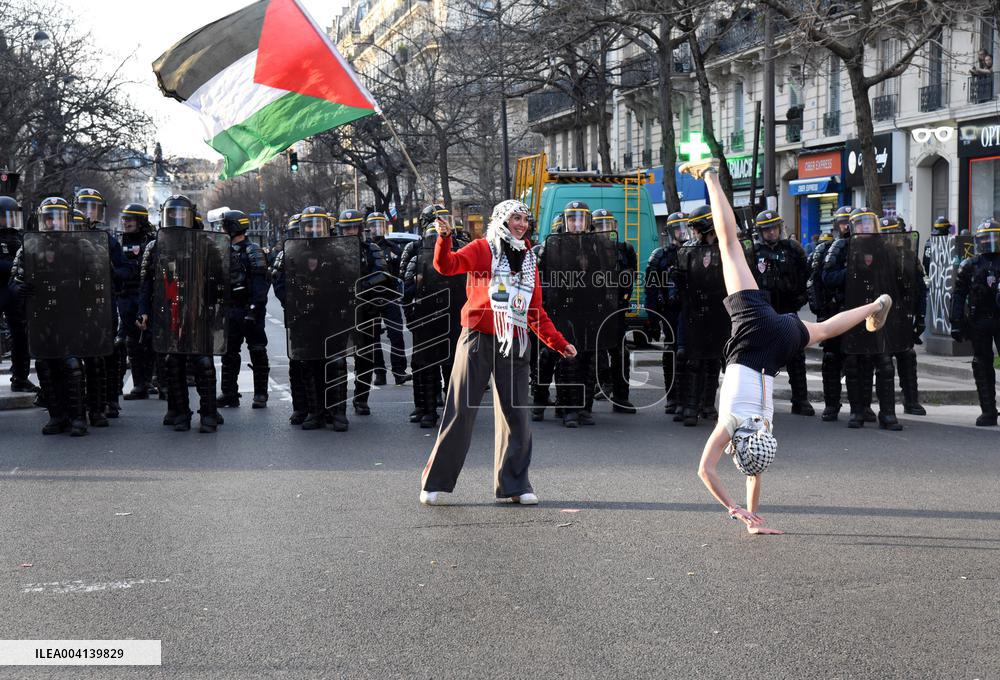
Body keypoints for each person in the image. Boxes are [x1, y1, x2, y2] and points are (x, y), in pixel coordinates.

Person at [679, 158, 892, 535]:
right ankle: (710, 175)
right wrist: (733, 510)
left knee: (825, 329)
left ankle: (874, 306)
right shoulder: (733, 424)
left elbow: (755, 474)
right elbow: (704, 470)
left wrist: (752, 521)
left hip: (776, 346)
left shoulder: (765, 428)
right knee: (730, 247)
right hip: (752, 334)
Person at [419, 200, 577, 506]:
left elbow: (534, 310)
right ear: (501, 220)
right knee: (461, 412)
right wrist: (444, 238)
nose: (520, 224)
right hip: (478, 337)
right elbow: (447, 265)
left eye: (524, 219)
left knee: (517, 414)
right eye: (514, 218)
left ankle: (514, 484)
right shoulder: (482, 248)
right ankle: (435, 482)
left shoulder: (529, 258)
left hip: (515, 339)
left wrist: (557, 342)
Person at [401, 205, 466, 428]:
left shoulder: (461, 249)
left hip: (453, 316)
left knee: (453, 367)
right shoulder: (416, 252)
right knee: (424, 366)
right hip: (426, 316)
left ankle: (454, 412)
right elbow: (407, 290)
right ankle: (425, 409)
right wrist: (411, 319)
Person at [752, 209, 813, 415]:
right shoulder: (753, 252)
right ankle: (761, 403)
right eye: (767, 229)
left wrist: (803, 296)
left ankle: (800, 400)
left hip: (789, 308)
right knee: (761, 359)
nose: (772, 232)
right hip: (764, 311)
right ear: (761, 232)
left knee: (797, 356)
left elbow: (808, 275)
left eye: (774, 228)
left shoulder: (793, 249)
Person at [217, 209, 271, 409]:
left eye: (224, 226)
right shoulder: (223, 249)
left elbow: (260, 282)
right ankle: (229, 393)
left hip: (250, 308)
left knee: (257, 349)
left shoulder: (253, 250)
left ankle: (260, 394)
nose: (222, 229)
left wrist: (255, 308)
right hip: (231, 309)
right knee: (229, 353)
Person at [950, 218, 1000, 426]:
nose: (989, 243)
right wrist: (956, 321)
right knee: (981, 364)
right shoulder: (970, 265)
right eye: (985, 239)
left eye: (993, 238)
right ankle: (988, 410)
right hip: (979, 319)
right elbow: (958, 294)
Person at [807, 206, 853, 421]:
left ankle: (860, 408)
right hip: (834, 310)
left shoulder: (866, 247)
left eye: (851, 222)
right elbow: (823, 279)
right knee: (832, 358)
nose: (848, 226)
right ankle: (831, 404)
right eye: (844, 222)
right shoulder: (830, 249)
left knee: (858, 360)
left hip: (858, 311)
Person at [592, 208, 638, 414]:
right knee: (593, 352)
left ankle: (621, 397)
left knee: (620, 352)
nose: (604, 229)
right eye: (599, 225)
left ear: (615, 227)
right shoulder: (588, 248)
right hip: (594, 308)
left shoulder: (625, 249)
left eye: (607, 225)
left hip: (617, 307)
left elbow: (632, 277)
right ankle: (598, 390)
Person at [644, 212, 688, 414]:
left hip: (691, 311)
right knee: (671, 354)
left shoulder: (695, 251)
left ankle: (690, 399)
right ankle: (672, 398)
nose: (682, 231)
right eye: (678, 228)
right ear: (670, 232)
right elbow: (650, 290)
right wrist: (652, 319)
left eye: (685, 227)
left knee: (691, 356)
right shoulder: (660, 256)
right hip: (669, 311)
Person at [366, 211, 409, 386]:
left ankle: (399, 372)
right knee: (373, 337)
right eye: (374, 225)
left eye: (380, 225)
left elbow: (401, 270)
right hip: (370, 297)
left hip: (390, 296)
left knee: (396, 335)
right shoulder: (366, 248)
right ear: (368, 228)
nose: (377, 229)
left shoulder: (393, 248)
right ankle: (380, 372)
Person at [0, 195, 36, 393]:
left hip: (15, 290)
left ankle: (21, 377)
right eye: (4, 217)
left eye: (10, 216)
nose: (8, 221)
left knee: (21, 335)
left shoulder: (20, 237)